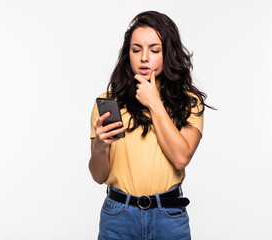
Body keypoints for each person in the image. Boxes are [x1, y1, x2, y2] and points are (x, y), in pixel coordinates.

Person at [89, 10, 212, 240]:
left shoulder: (189, 103)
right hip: (118, 216)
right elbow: (99, 176)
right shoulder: (109, 103)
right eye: (137, 50)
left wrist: (154, 102)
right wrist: (100, 146)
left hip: (168, 216)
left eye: (154, 50)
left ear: (168, 53)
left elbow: (181, 158)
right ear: (128, 54)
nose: (144, 57)